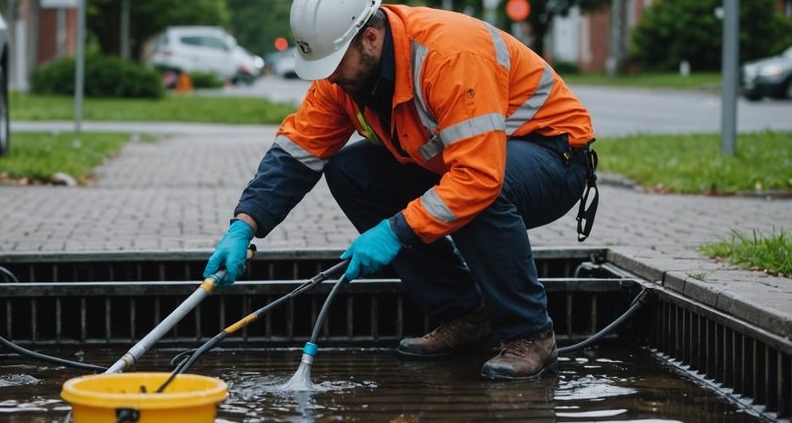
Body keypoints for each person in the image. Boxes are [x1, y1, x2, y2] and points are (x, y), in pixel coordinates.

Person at [203, 0, 598, 380]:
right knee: (351, 171)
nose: (330, 76)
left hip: (552, 155)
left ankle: (530, 335)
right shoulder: (343, 76)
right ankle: (466, 315)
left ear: (370, 38)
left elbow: (478, 177)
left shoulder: (448, 56)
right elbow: (297, 152)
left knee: (477, 194)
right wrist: (244, 225)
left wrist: (395, 230)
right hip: (469, 161)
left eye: (335, 64)